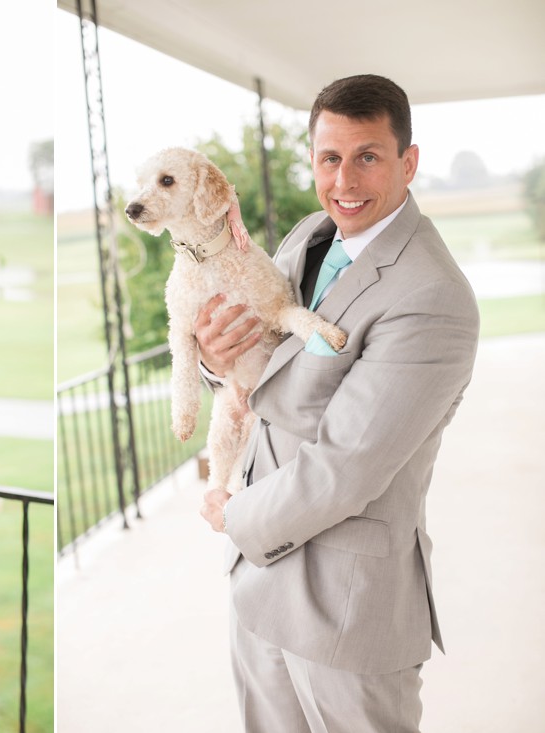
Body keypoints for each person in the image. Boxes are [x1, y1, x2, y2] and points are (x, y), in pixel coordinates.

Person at [195, 74, 479, 731]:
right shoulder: (308, 235)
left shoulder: (432, 296)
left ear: (408, 162)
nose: (344, 181)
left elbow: (345, 466)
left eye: (368, 157)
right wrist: (216, 360)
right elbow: (263, 366)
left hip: (346, 611)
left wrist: (235, 515)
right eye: (330, 158)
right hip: (260, 588)